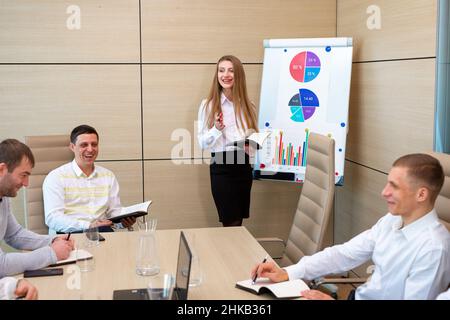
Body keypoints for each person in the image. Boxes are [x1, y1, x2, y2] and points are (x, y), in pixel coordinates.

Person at [251, 153, 450, 300]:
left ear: (421, 195)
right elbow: (345, 254)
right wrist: (290, 272)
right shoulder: (392, 220)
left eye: (394, 186)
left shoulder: (433, 248)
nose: (384, 192)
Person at [197, 55, 258, 227]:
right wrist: (216, 129)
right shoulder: (208, 105)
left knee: (237, 223)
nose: (226, 75)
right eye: (221, 70)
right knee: (230, 222)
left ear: (238, 75)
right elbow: (202, 143)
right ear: (217, 75)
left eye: (231, 70)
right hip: (222, 168)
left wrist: (251, 145)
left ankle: (235, 254)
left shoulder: (248, 105)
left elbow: (252, 141)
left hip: (243, 168)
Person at [43, 125, 136, 234]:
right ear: (72, 147)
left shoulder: (108, 176)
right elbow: (53, 218)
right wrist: (89, 226)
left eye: (94, 144)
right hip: (68, 235)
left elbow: (113, 212)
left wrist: (122, 222)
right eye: (84, 145)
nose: (90, 149)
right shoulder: (56, 177)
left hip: (102, 232)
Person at [0, 139, 74, 277]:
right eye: (23, 175)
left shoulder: (3, 197)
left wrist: (52, 240)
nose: (26, 183)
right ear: (2, 170)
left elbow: (14, 235)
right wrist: (51, 253)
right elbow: (1, 265)